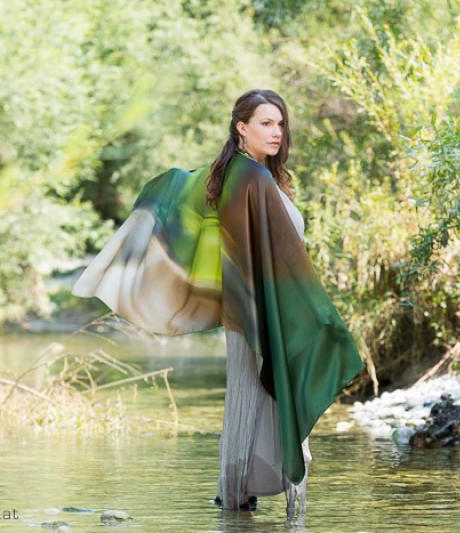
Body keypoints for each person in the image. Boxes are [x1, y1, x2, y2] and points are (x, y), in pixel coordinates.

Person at [71, 89, 365, 516]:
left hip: (249, 312)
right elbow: (264, 257)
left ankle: (235, 503)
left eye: (280, 123)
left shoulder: (235, 176)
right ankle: (280, 508)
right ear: (241, 128)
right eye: (266, 123)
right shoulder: (252, 178)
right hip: (265, 313)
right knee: (272, 399)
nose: (277, 131)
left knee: (248, 404)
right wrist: (315, 313)